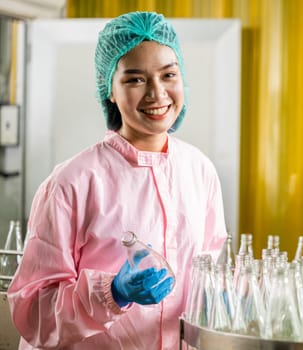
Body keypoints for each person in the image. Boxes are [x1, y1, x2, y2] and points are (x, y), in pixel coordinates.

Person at [7, 11, 227, 349]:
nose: (157, 93)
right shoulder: (72, 183)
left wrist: (223, 297)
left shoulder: (200, 171)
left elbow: (211, 271)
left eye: (169, 74)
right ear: (109, 89)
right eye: (135, 79)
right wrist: (112, 292)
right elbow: (32, 311)